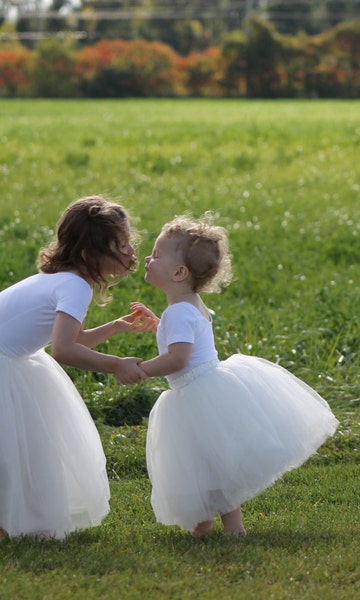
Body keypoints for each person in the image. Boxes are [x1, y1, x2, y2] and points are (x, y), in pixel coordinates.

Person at [0, 195, 156, 540]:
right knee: (6, 448)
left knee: (13, 446)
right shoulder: (75, 286)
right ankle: (3, 525)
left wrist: (115, 327)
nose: (131, 252)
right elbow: (64, 350)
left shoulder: (63, 278)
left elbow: (67, 338)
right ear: (89, 252)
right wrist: (116, 365)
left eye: (130, 243)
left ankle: (9, 522)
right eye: (121, 245)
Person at [131, 214, 339, 537]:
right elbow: (187, 341)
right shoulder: (188, 306)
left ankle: (230, 528)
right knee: (211, 466)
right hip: (206, 389)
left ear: (179, 272)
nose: (148, 258)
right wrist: (159, 325)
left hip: (196, 396)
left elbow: (178, 357)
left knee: (209, 467)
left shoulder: (180, 312)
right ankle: (207, 525)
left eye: (156, 255)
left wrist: (141, 369)